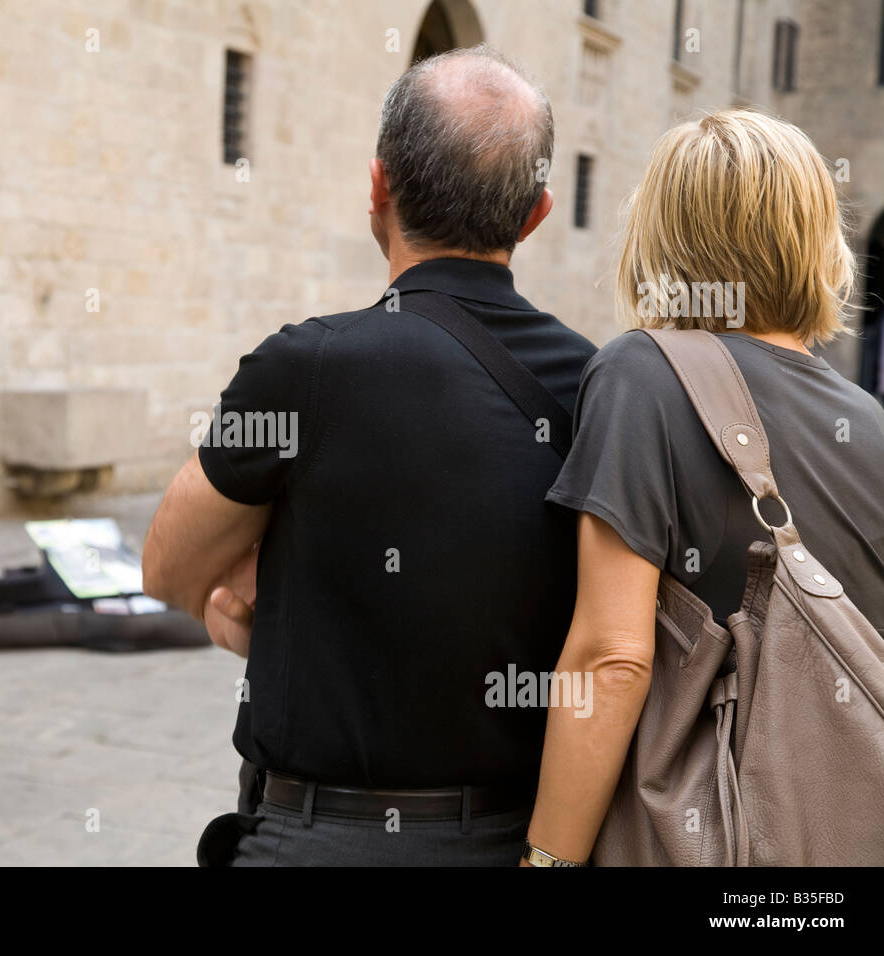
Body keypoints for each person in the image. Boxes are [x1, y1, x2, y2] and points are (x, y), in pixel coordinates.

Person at [142, 46, 596, 866]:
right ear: (537, 212)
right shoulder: (597, 387)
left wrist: (258, 607)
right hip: (520, 839)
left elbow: (168, 568)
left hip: (315, 841)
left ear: (378, 187)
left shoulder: (305, 366)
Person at [523, 109, 884, 866]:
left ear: (664, 238)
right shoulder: (869, 421)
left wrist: (548, 861)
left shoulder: (642, 375)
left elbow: (612, 659)